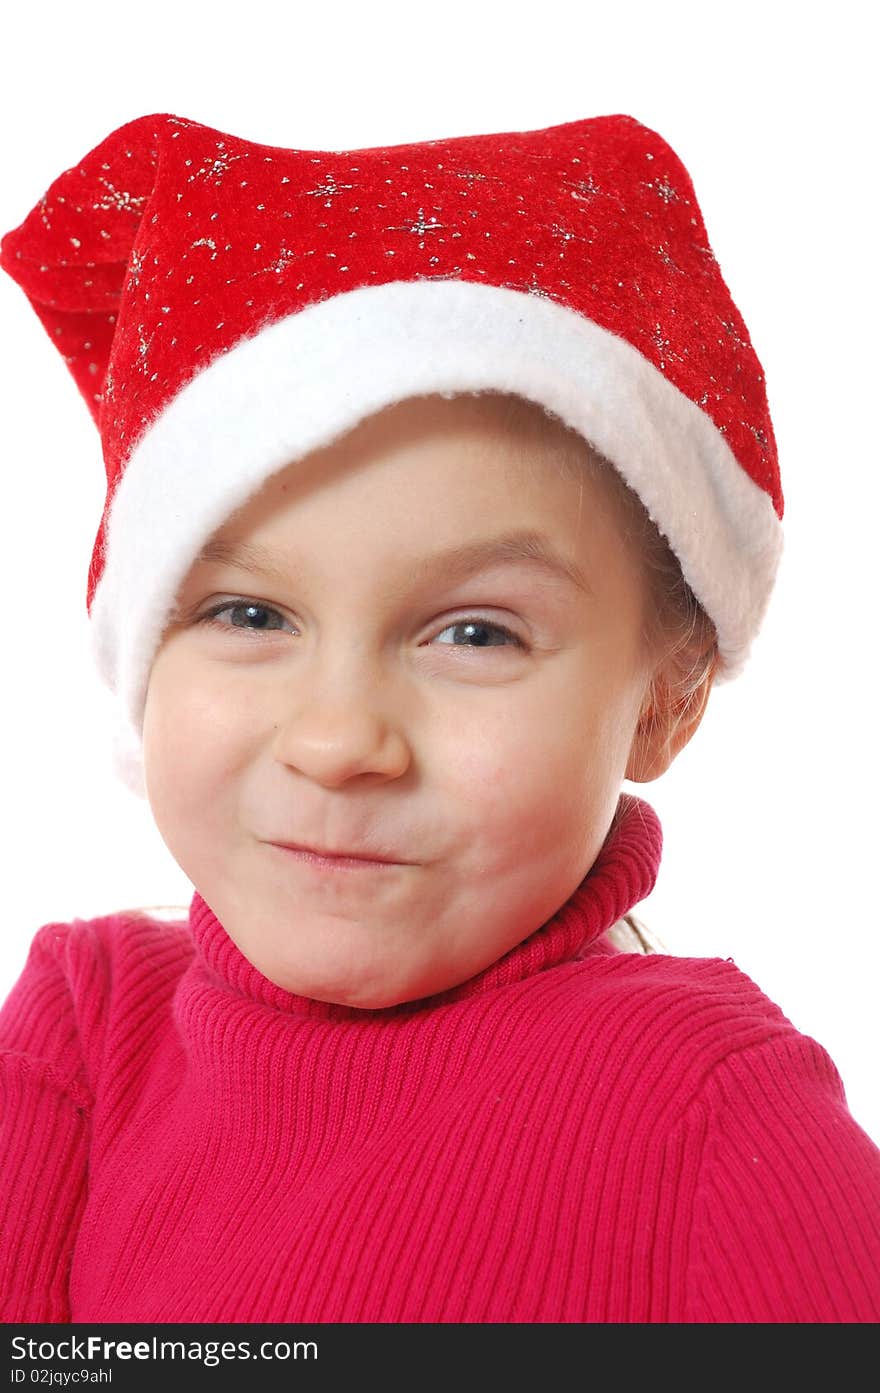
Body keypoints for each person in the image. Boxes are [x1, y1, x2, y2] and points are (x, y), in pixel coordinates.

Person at [0, 109, 877, 1325]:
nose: (338, 738)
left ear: (665, 698)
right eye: (250, 614)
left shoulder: (713, 1116)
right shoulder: (88, 1035)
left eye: (475, 633)